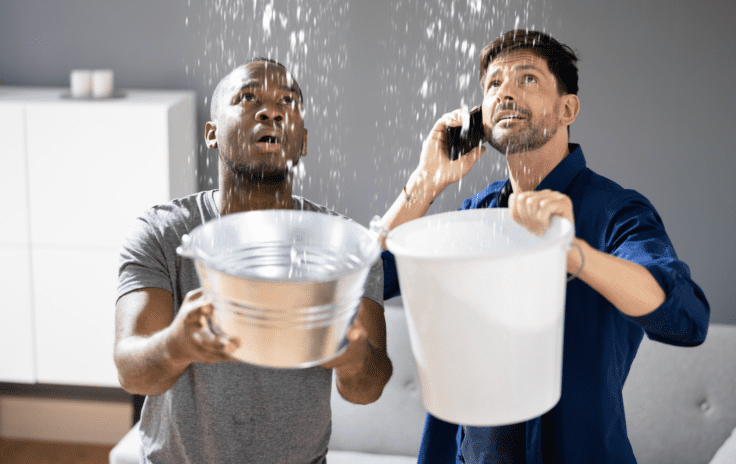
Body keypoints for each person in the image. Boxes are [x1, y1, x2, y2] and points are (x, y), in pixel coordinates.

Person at [379, 30, 709, 463]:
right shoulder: (476, 213)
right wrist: (426, 181)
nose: (506, 92)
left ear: (567, 108)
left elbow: (687, 319)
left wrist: (571, 253)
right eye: (493, 83)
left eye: (527, 78)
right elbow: (373, 279)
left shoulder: (615, 211)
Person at [114, 58, 393, 464]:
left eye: (288, 101)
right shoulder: (164, 232)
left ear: (302, 141)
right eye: (247, 98)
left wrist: (351, 355)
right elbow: (131, 372)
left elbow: (366, 389)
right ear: (211, 134)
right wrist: (175, 345)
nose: (272, 111)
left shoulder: (344, 245)